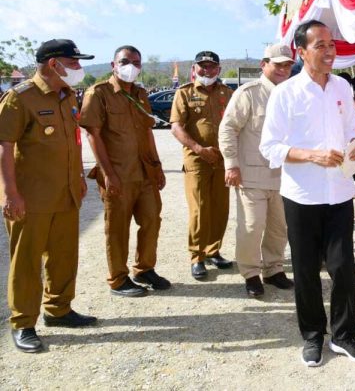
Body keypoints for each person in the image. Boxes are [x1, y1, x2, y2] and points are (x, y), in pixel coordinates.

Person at [259, 20, 355, 367]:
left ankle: (344, 336)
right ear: (302, 51)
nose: (329, 51)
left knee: (343, 268)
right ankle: (312, 337)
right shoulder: (286, 93)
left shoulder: (342, 88)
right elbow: (270, 147)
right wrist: (312, 155)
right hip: (302, 195)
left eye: (331, 45)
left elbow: (351, 130)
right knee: (306, 270)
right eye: (320, 45)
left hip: (339, 192)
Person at [0, 39, 97, 353]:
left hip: (65, 193)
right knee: (27, 261)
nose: (79, 69)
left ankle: (58, 310)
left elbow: (74, 142)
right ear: (54, 64)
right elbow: (4, 147)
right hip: (31, 197)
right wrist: (10, 194)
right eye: (74, 63)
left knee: (63, 255)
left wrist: (80, 177)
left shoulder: (67, 95)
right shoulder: (20, 98)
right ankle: (23, 322)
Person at [81, 45, 169, 298]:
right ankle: (118, 279)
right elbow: (92, 135)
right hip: (118, 175)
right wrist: (108, 174)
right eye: (126, 61)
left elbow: (147, 132)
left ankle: (144, 269)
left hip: (144, 173)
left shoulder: (141, 94)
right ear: (113, 64)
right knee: (118, 229)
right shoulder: (99, 93)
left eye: (136, 62)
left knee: (152, 221)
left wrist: (158, 166)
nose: (131, 66)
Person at [219, 44, 295, 298]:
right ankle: (251, 273)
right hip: (252, 174)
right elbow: (228, 128)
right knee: (251, 227)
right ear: (264, 65)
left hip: (285, 175)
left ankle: (273, 269)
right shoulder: (248, 93)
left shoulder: (292, 93)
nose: (284, 69)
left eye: (288, 65)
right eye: (278, 64)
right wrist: (231, 163)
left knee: (279, 227)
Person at [170, 51, 234, 280]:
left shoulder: (228, 93)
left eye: (212, 67)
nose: (207, 71)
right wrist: (199, 149)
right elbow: (176, 127)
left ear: (219, 68)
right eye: (202, 67)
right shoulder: (185, 92)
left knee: (220, 207)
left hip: (222, 159)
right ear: (194, 69)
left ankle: (213, 250)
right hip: (197, 159)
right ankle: (197, 257)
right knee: (199, 208)